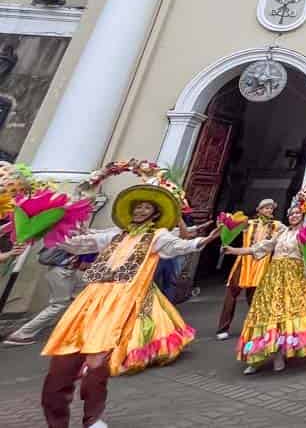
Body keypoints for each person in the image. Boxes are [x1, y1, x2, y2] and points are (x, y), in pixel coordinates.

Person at [41, 177, 220, 428]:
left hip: (119, 306)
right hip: (88, 302)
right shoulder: (113, 235)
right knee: (60, 368)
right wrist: (47, 227)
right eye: (138, 206)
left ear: (155, 214)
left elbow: (181, 246)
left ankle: (92, 418)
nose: (140, 210)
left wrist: (202, 241)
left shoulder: (158, 237)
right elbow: (78, 244)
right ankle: (56, 421)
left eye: (147, 207)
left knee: (97, 365)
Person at [222, 197, 306, 373]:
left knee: (287, 315)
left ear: (303, 216)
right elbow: (259, 248)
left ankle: (279, 355)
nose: (294, 216)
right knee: (264, 315)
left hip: (293, 280)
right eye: (291, 213)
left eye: (297, 213)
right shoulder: (280, 233)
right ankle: (255, 358)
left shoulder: (305, 233)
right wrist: (233, 250)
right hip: (273, 280)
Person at [217, 199, 282, 340]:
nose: (269, 210)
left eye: (271, 208)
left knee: (254, 297)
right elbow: (230, 226)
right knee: (231, 292)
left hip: (261, 263)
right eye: (266, 208)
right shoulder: (249, 224)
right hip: (244, 261)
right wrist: (225, 222)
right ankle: (223, 328)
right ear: (259, 210)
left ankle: (258, 327)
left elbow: (291, 232)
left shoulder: (277, 225)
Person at [4, 244, 84, 346]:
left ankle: (75, 328)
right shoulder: (72, 232)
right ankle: (21, 335)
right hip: (63, 271)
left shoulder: (66, 232)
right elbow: (84, 262)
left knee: (81, 294)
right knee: (59, 305)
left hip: (64, 270)